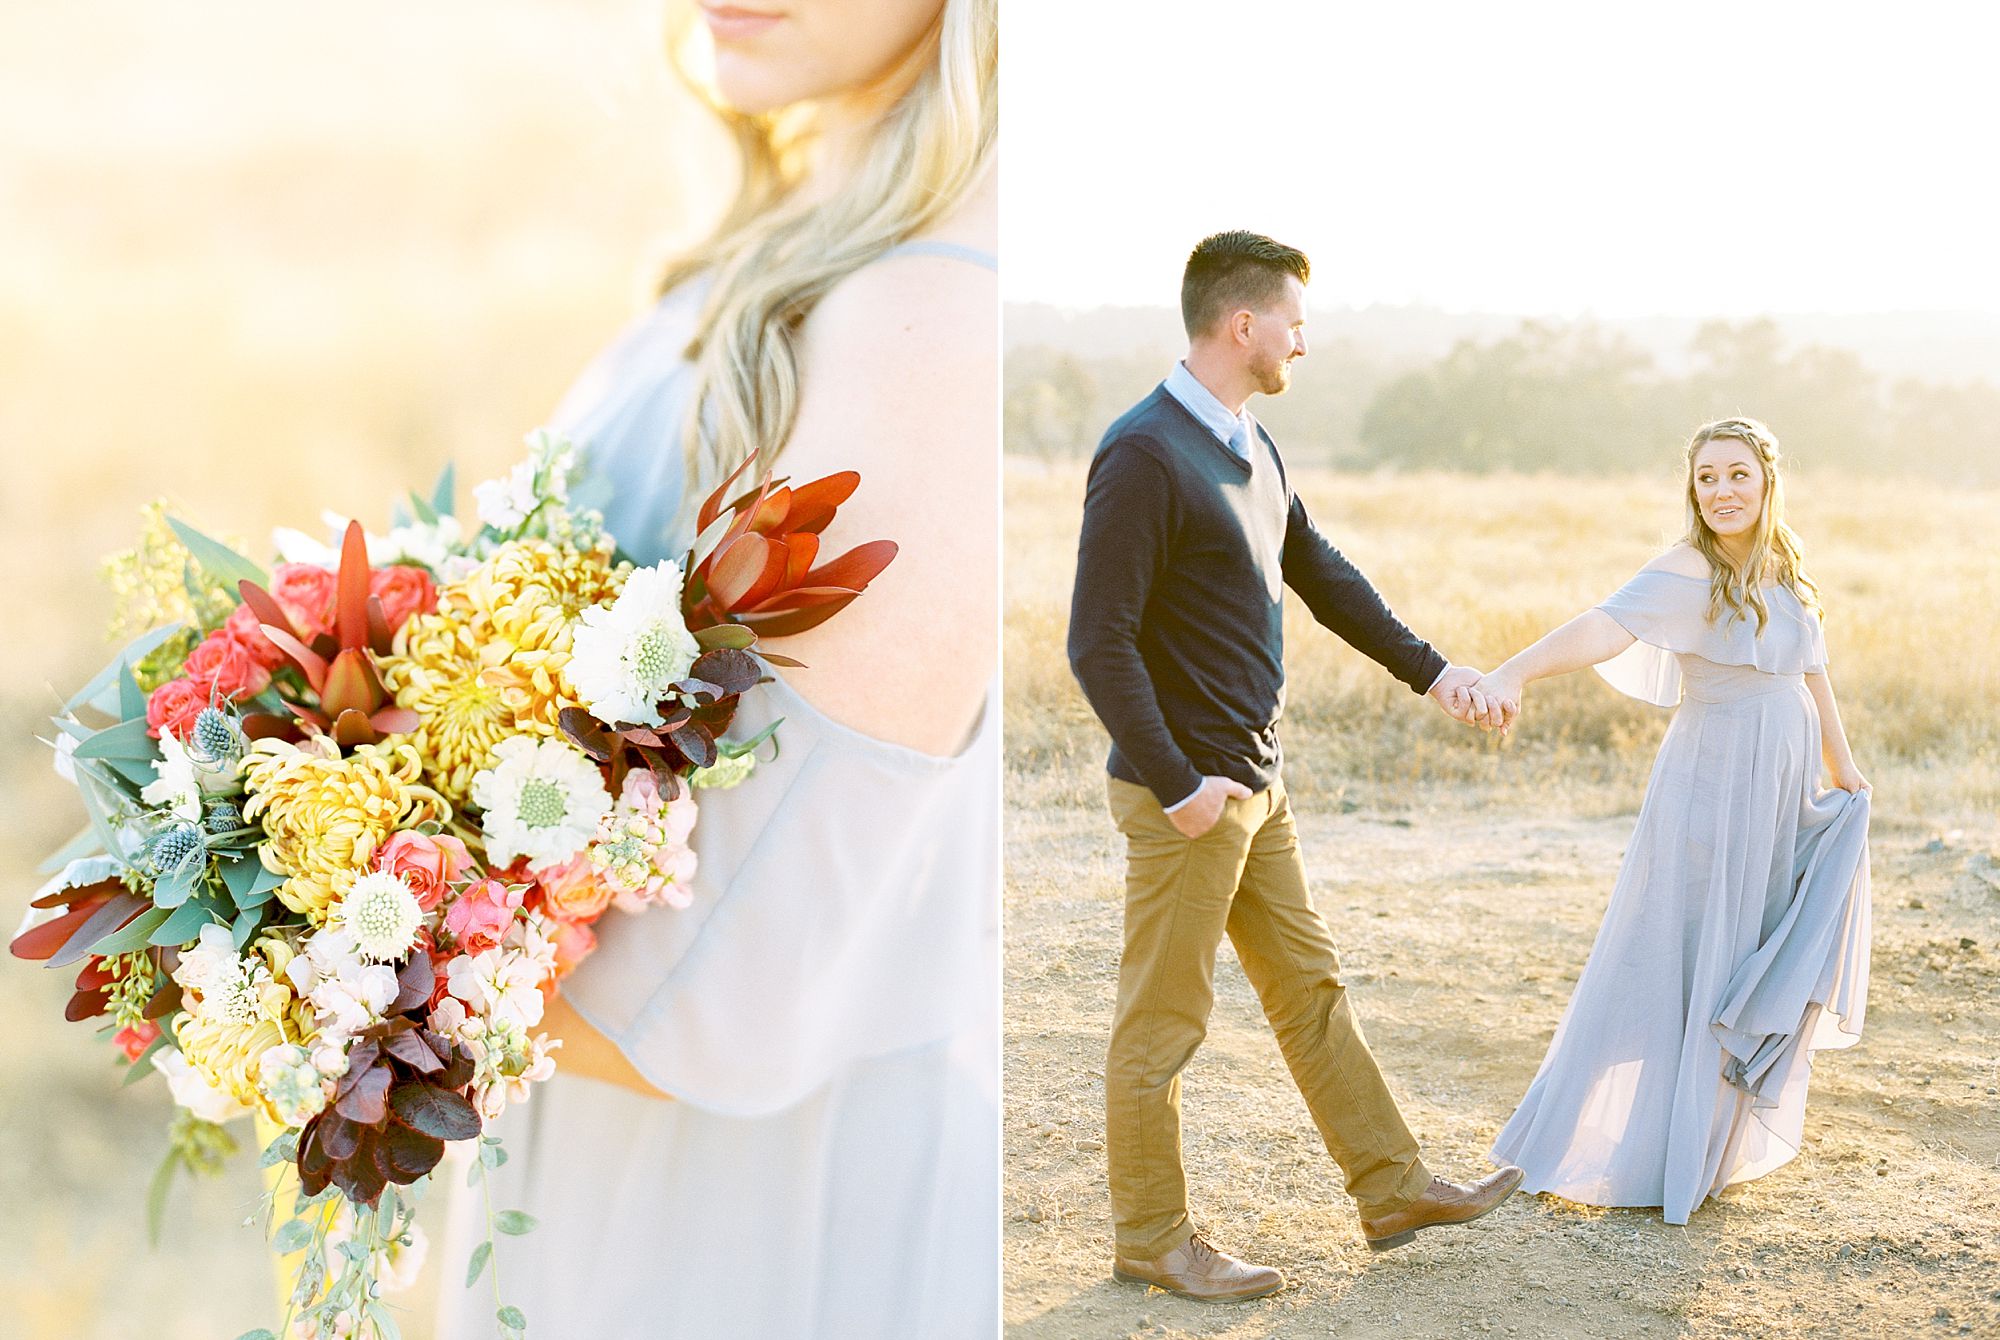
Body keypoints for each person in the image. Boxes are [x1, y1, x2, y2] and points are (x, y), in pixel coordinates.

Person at [438, 0, 997, 1335]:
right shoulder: (814, 224)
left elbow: (723, 1001)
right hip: (627, 1176)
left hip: (762, 1230)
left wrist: (300, 945)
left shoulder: (929, 325)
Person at [1065, 230, 1522, 1302]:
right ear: (1242, 323)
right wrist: (1177, 784)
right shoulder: (1144, 454)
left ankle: (1391, 1182)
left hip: (1253, 786)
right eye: (1293, 322)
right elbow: (1097, 638)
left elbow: (1316, 571)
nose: (1301, 342)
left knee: (1309, 991)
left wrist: (1432, 670)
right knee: (1162, 1021)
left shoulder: (1247, 441)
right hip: (1189, 793)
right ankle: (1150, 1236)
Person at [1482, 417, 1870, 1225]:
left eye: (1736, 475)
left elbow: (1814, 674)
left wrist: (1843, 768)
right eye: (1706, 479)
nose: (1722, 491)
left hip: (1781, 785)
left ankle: (1706, 1143)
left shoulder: (1786, 571)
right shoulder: (1685, 569)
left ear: (1767, 481)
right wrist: (1513, 670)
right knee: (1678, 946)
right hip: (1711, 780)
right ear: (1692, 490)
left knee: (1749, 948)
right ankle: (1609, 1139)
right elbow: (1601, 626)